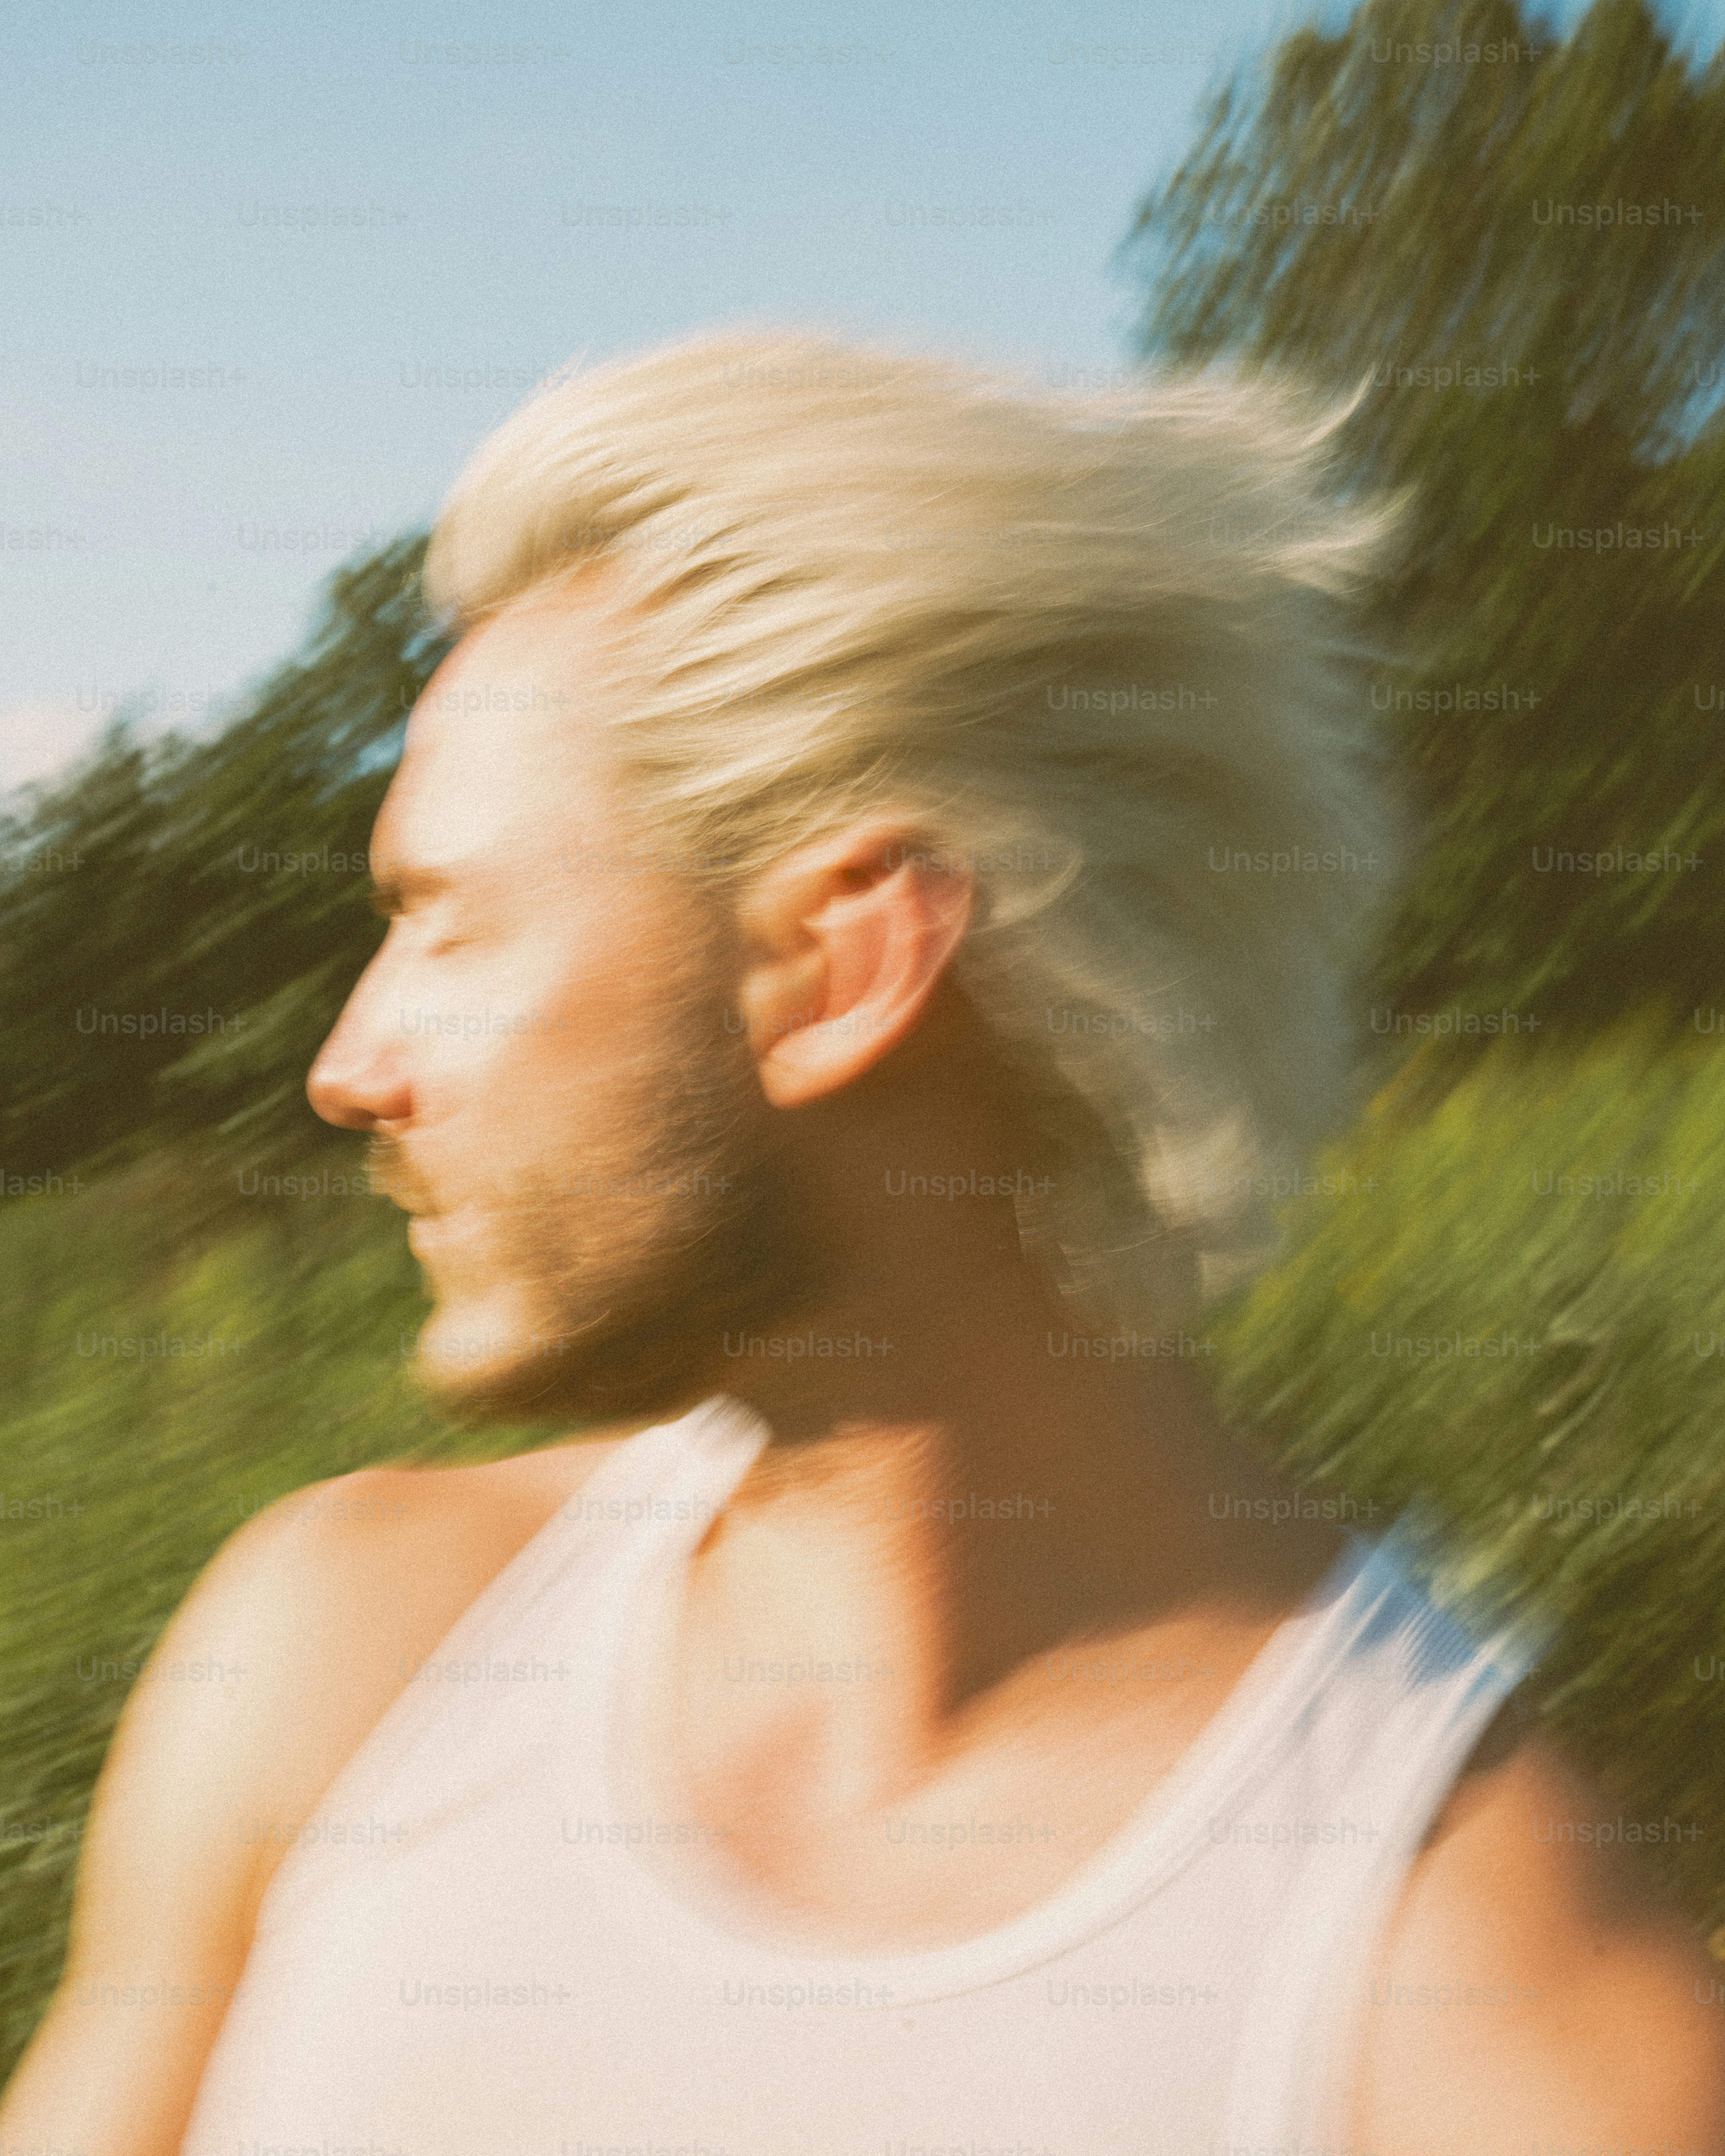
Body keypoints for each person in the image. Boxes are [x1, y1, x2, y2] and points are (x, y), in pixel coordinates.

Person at [3, 331, 1718, 2156]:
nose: (351, 1069)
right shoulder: (332, 1653)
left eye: (449, 925)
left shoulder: (1482, 2015)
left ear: (838, 963)